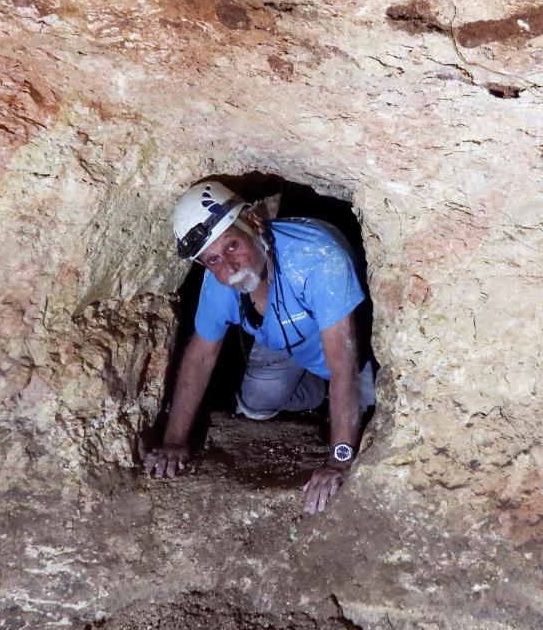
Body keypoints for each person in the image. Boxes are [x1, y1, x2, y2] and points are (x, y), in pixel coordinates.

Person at [145, 180, 373, 514]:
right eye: (213, 260)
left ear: (253, 222)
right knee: (255, 405)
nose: (229, 267)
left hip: (352, 354)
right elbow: (201, 355)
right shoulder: (221, 279)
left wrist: (339, 458)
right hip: (288, 344)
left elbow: (343, 365)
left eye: (232, 246)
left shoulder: (317, 259)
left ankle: (342, 406)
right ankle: (324, 398)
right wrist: (174, 440)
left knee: (366, 414)